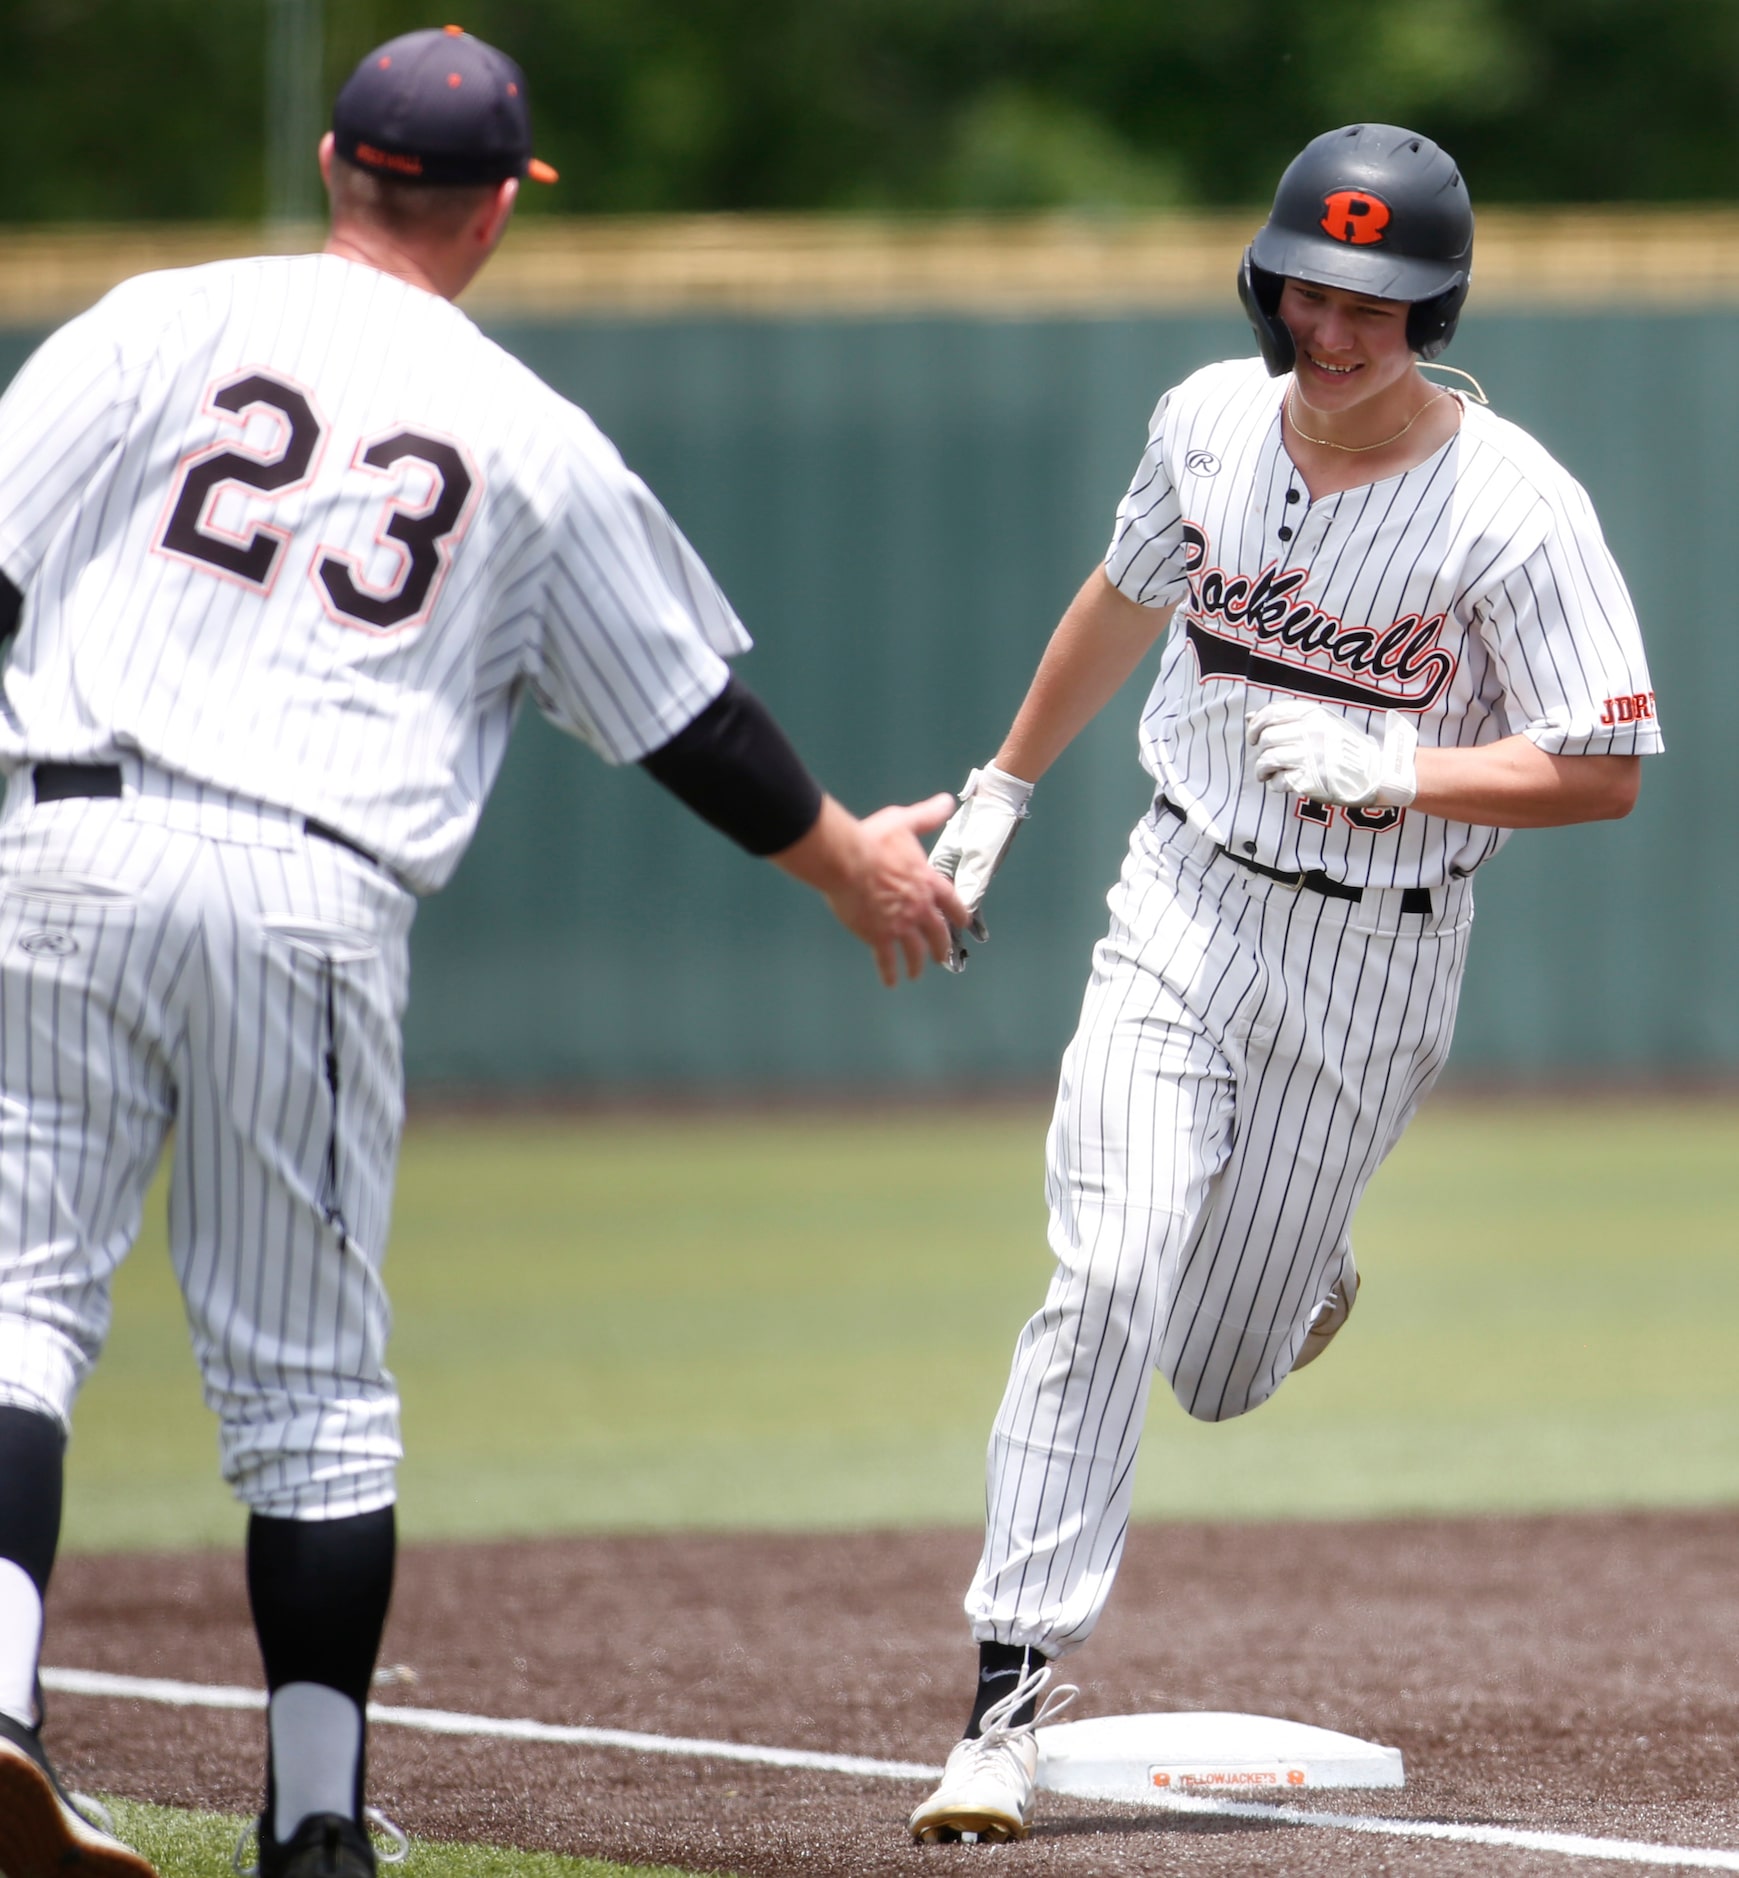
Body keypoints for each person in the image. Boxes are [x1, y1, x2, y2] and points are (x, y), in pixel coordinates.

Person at [0, 27, 969, 1878]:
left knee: (15, 1300)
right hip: (311, 882)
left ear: (331, 162)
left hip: (68, 831)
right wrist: (862, 873)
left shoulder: (151, 321)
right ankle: (312, 1830)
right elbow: (690, 719)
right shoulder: (525, 433)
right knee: (307, 1389)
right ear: (502, 211)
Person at [911, 121, 1662, 1845]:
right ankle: (1005, 1706)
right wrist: (1008, 785)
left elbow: (1608, 767)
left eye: (1375, 305)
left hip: (1378, 949)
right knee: (1102, 1275)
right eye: (1308, 291)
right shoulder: (1202, 420)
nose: (1332, 332)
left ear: (1438, 310)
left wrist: (1406, 769)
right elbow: (1121, 597)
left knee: (1224, 1366)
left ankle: (1297, 1277)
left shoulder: (1520, 509)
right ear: (1266, 280)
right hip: (1177, 896)